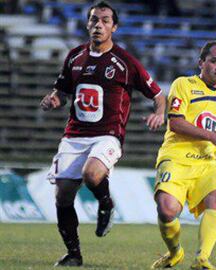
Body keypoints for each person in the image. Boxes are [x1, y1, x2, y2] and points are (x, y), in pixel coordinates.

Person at [40, 1, 165, 267]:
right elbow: (62, 93)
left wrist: (159, 113)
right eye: (94, 20)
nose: (98, 25)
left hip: (108, 134)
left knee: (92, 174)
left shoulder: (125, 62)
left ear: (114, 27)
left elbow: (158, 95)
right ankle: (74, 254)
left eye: (105, 20)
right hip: (74, 135)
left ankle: (106, 204)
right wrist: (54, 100)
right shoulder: (74, 56)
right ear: (87, 24)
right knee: (62, 195)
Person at [151, 41, 216, 270]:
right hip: (176, 158)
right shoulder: (184, 84)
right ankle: (175, 252)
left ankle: (202, 259)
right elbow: (176, 123)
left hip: (206, 163)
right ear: (201, 63)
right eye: (214, 61)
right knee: (167, 210)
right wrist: (213, 136)